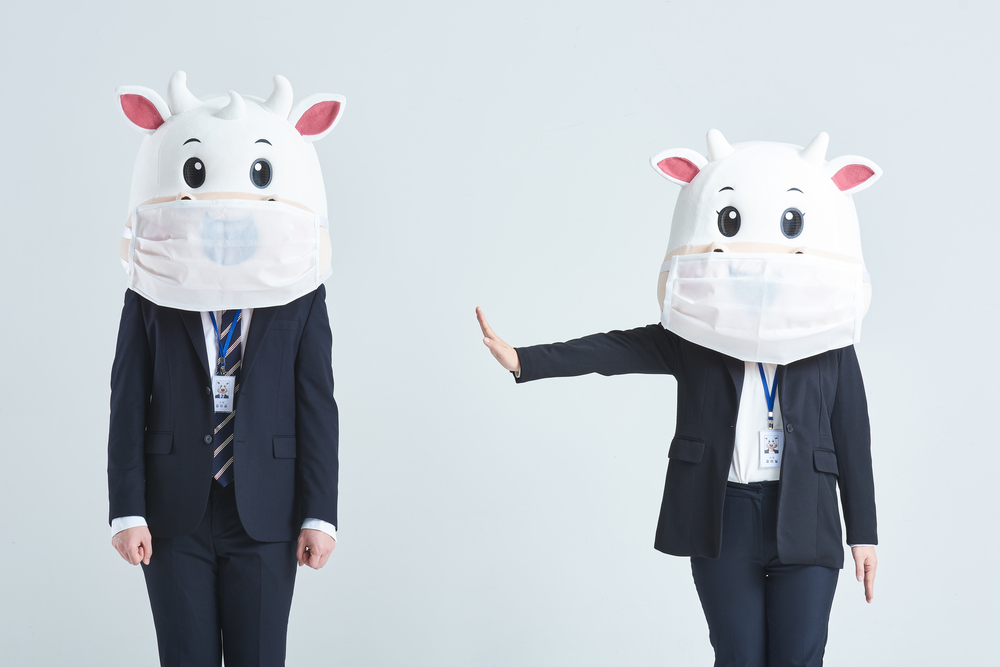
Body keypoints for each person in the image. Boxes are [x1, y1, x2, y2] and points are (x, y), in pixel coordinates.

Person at [476, 130, 880, 667]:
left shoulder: (829, 338)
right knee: (736, 658)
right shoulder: (697, 334)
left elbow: (853, 433)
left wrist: (864, 533)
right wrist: (524, 360)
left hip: (807, 514)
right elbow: (614, 350)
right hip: (723, 515)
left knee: (800, 660)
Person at [108, 71, 345, 667]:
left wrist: (321, 514)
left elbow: (317, 403)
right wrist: (127, 510)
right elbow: (127, 400)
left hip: (268, 512)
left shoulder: (300, 293)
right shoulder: (151, 288)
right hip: (172, 514)